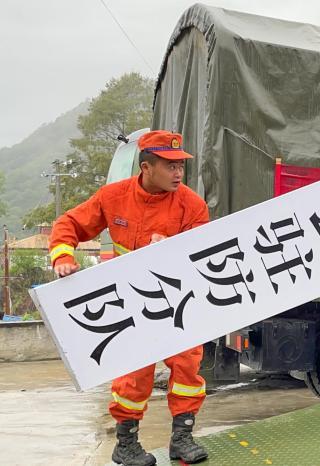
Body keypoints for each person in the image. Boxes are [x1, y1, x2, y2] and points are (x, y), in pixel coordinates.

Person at [49, 130, 210, 465]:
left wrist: (170, 248)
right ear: (146, 167)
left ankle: (182, 438)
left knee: (187, 367)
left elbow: (200, 254)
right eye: (170, 166)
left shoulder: (192, 205)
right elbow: (69, 224)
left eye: (181, 165)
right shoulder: (113, 197)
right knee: (133, 375)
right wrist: (62, 257)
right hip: (132, 303)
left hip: (177, 302)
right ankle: (126, 445)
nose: (179, 173)